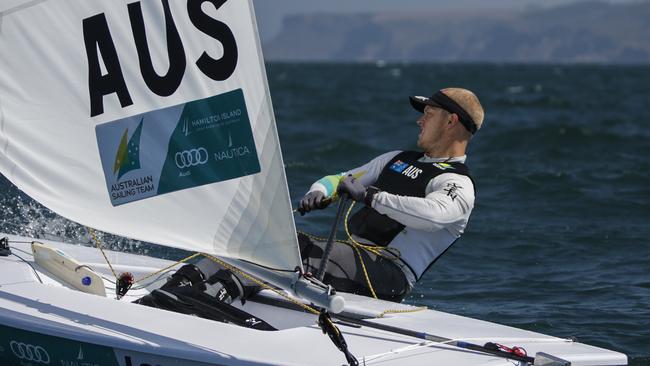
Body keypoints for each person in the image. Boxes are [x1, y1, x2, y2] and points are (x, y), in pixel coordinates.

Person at [298, 87, 485, 302]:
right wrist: (319, 191)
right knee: (287, 244)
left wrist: (371, 197)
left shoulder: (458, 183)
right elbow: (342, 178)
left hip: (390, 275)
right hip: (353, 256)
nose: (420, 121)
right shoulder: (396, 158)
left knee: (303, 255)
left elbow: (434, 215)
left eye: (428, 114)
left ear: (451, 121)